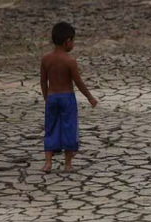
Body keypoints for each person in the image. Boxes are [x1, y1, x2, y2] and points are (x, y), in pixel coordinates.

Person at [40, 22, 97, 173]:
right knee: (69, 128)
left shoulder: (46, 59)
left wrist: (46, 97)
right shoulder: (70, 61)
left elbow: (43, 81)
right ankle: (68, 164)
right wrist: (90, 97)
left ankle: (47, 163)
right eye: (73, 41)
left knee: (50, 129)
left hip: (52, 97)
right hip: (67, 98)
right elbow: (78, 82)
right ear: (68, 42)